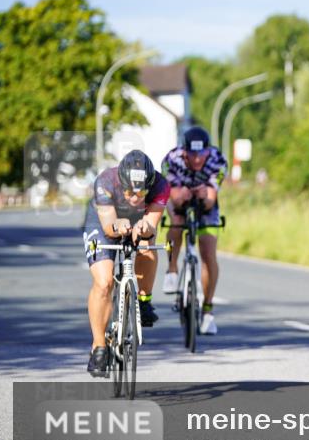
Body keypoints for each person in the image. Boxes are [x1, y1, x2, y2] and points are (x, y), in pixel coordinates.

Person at [83, 149, 170, 377]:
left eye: (142, 192)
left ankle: (144, 300)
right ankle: (99, 347)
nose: (134, 197)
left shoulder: (161, 185)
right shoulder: (105, 181)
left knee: (147, 246)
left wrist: (144, 228)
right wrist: (118, 226)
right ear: (121, 182)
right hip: (104, 218)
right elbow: (108, 226)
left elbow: (151, 222)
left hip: (138, 218)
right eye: (130, 191)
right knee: (103, 282)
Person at [160, 126, 227, 335]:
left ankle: (207, 311)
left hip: (204, 199)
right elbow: (174, 196)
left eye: (202, 154)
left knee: (208, 252)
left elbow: (210, 201)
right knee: (177, 221)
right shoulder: (172, 160)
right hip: (178, 196)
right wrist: (183, 195)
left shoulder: (218, 160)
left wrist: (202, 195)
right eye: (192, 154)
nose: (197, 159)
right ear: (184, 151)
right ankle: (172, 269)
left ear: (208, 151)